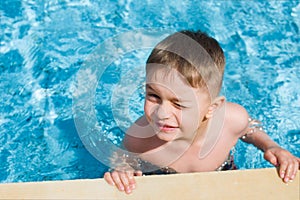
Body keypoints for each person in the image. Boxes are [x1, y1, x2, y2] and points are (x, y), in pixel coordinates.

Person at [104, 30, 300, 194]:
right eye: (153, 96)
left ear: (212, 108)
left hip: (223, 175)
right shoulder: (139, 139)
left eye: (179, 104)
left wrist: (270, 146)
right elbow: (122, 159)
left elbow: (249, 129)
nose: (161, 113)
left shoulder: (231, 121)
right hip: (162, 179)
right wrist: (121, 169)